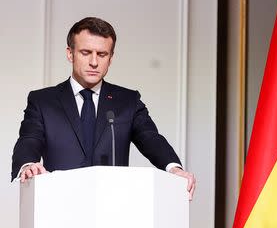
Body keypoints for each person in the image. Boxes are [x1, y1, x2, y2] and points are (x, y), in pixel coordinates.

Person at [11, 17, 196, 199]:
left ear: (111, 58)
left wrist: (174, 169)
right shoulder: (43, 101)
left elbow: (151, 138)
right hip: (59, 204)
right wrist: (27, 165)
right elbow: (29, 139)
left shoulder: (128, 101)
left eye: (102, 54)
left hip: (113, 207)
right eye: (85, 52)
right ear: (70, 54)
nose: (94, 62)